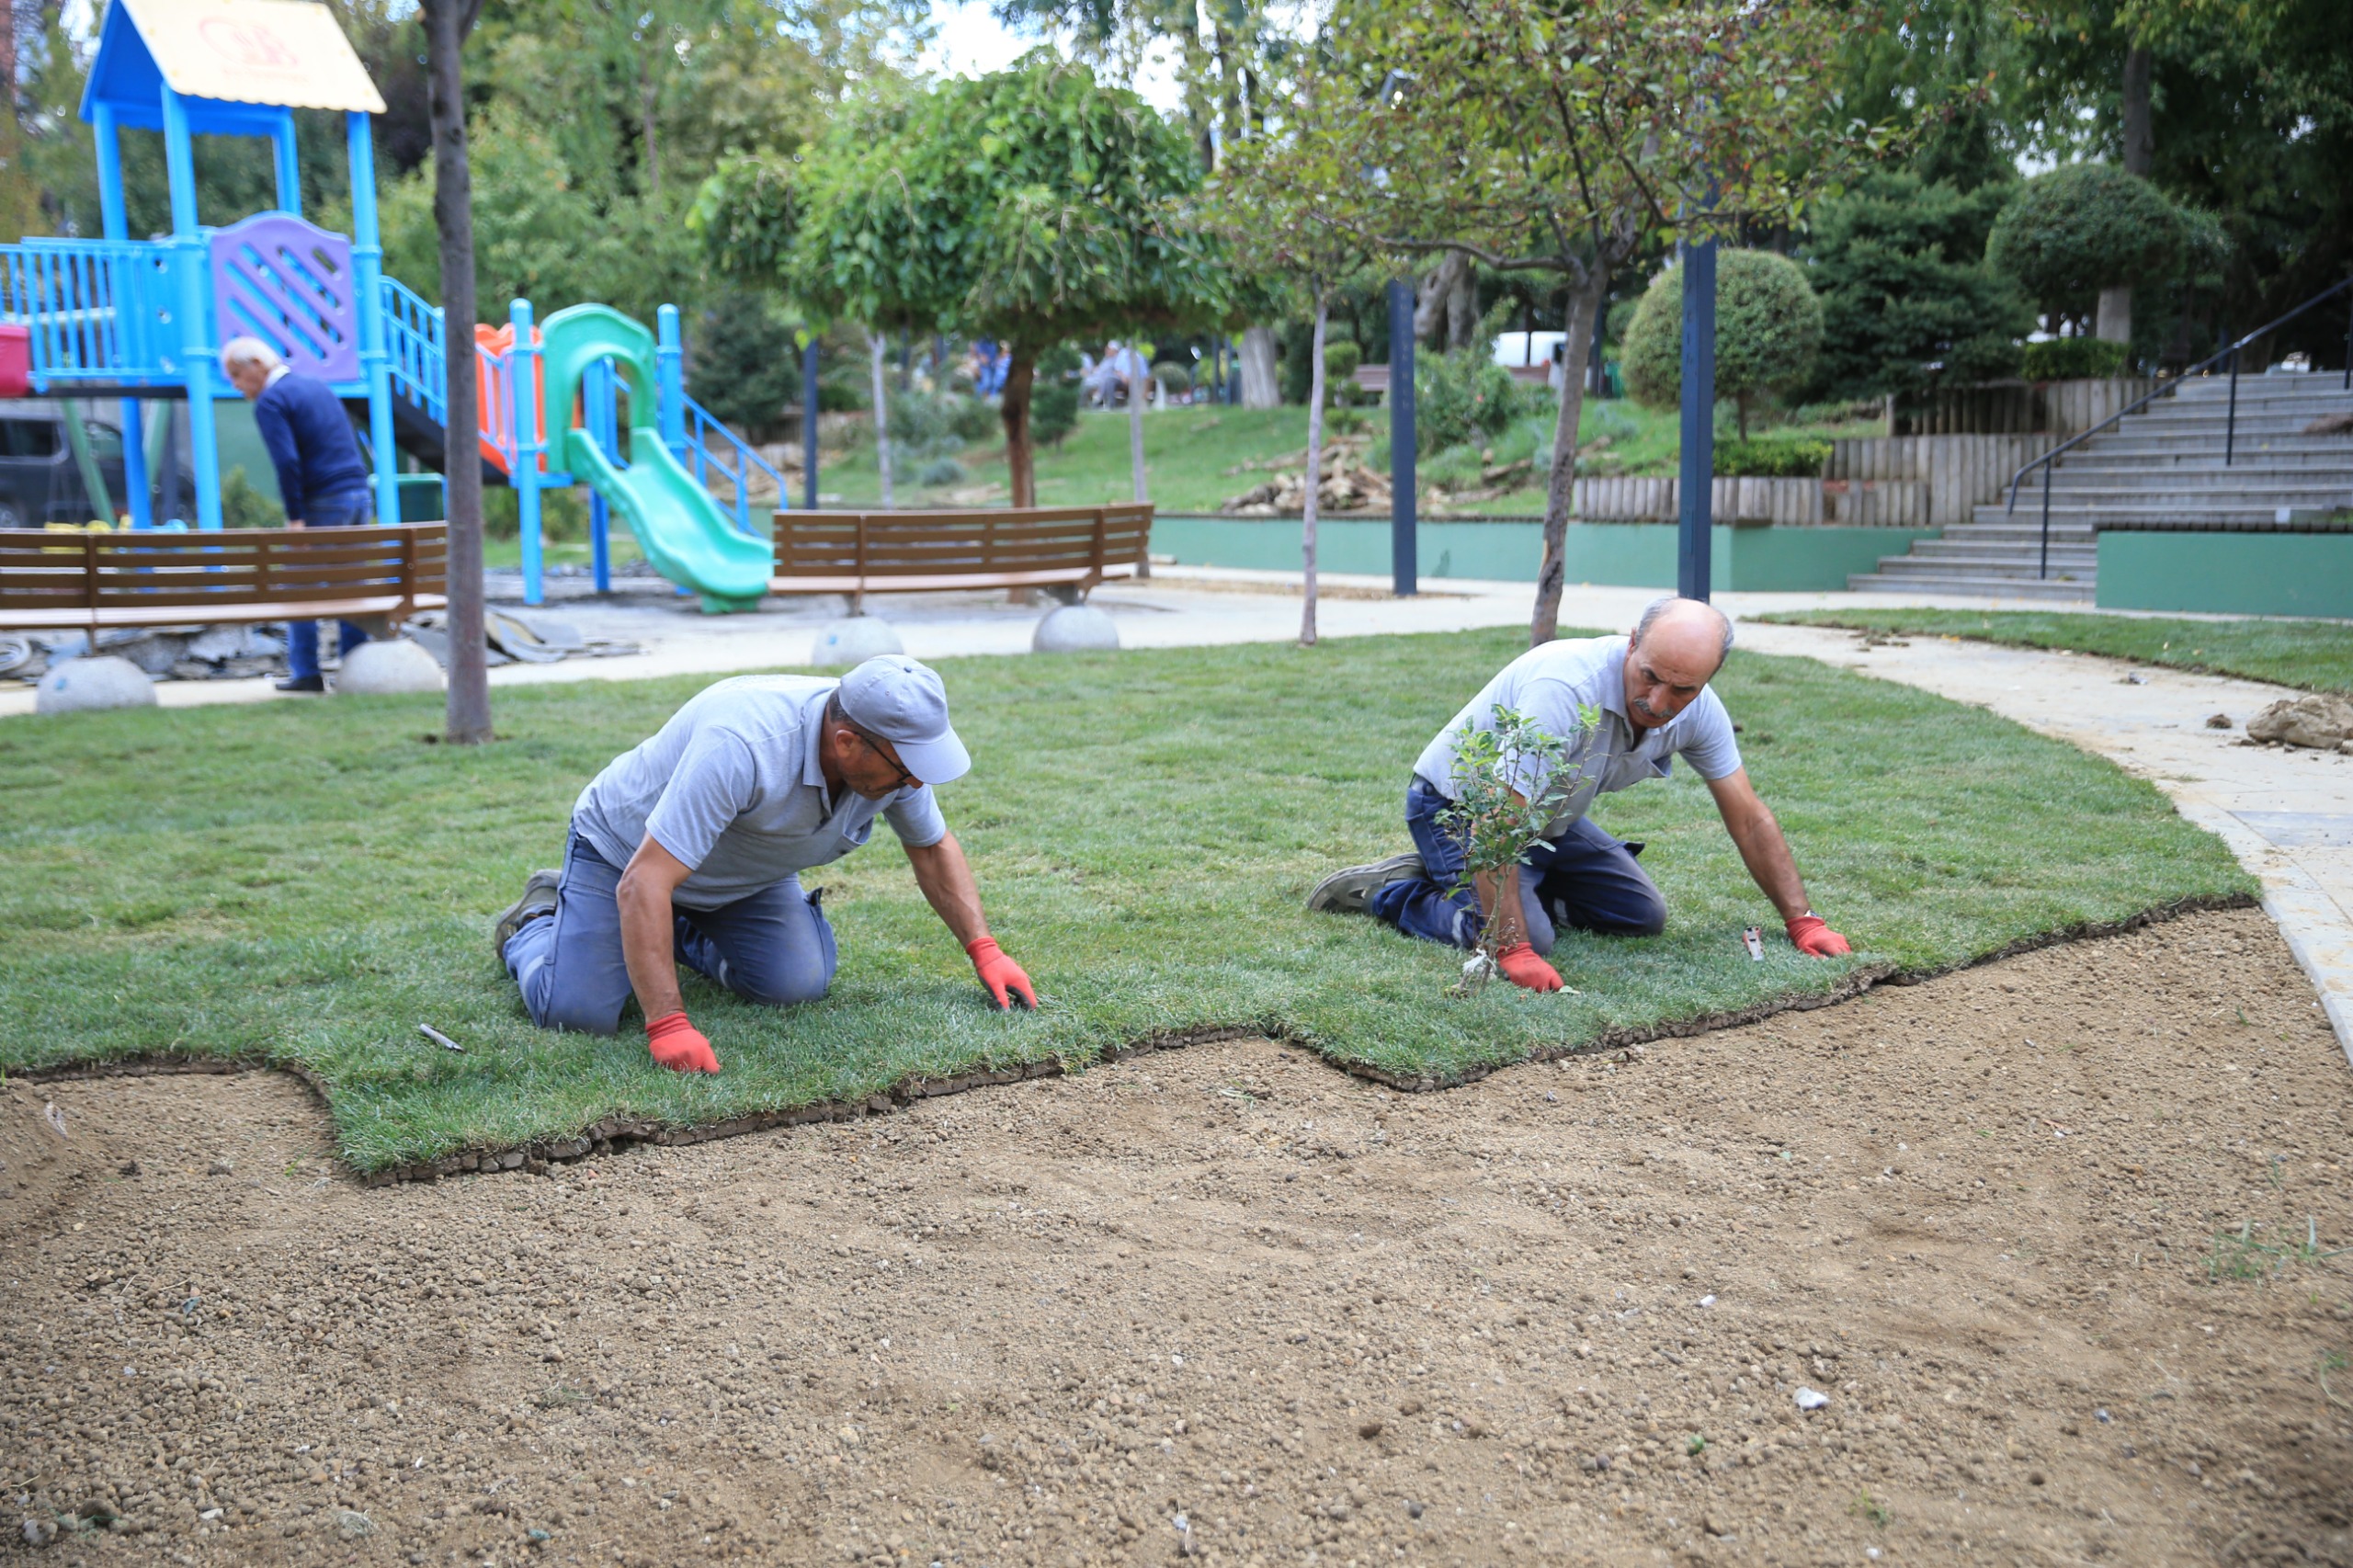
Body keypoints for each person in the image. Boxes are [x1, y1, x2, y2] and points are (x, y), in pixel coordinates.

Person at [493, 654, 1038, 1073]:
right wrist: (668, 1023)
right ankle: (539, 920)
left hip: (743, 875)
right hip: (625, 858)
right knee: (578, 1013)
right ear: (846, 743)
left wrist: (985, 949)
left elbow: (932, 847)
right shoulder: (743, 743)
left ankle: (667, 930)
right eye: (907, 769)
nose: (917, 781)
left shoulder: (889, 755)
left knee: (794, 983)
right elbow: (646, 879)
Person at [1308, 597, 1852, 989]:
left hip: (1546, 818)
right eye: (1649, 676)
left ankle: (1496, 884)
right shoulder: (1565, 689)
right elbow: (1498, 819)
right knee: (1530, 940)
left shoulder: (1701, 708)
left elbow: (1749, 817)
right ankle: (1395, 894)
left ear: (1708, 677)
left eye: (1682, 688)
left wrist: (1802, 919)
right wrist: (1514, 946)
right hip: (1458, 805)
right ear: (1632, 643)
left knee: (1641, 916)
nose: (1658, 702)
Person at [222, 336, 375, 694]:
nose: (235, 383)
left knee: (298, 587)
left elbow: (287, 462)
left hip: (323, 500)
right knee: (349, 583)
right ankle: (356, 666)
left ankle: (306, 672)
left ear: (258, 365)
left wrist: (295, 520)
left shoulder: (271, 401)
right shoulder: (317, 387)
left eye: (236, 374)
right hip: (357, 493)